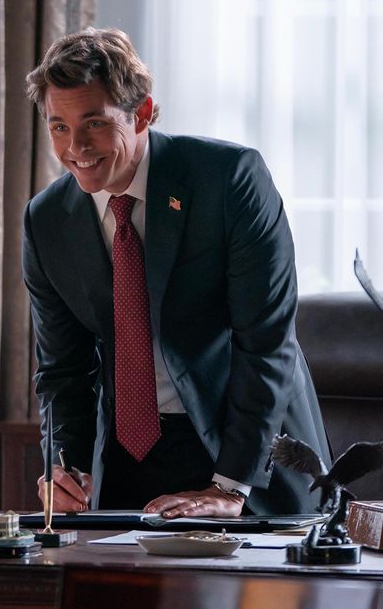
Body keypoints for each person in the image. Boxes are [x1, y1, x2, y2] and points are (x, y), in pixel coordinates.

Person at [22, 28, 330, 519]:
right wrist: (66, 468)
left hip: (244, 457)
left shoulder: (230, 180)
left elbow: (266, 344)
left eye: (94, 123)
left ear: (142, 113)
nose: (75, 147)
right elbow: (63, 370)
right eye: (59, 127)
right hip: (125, 460)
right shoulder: (47, 220)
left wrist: (230, 488)